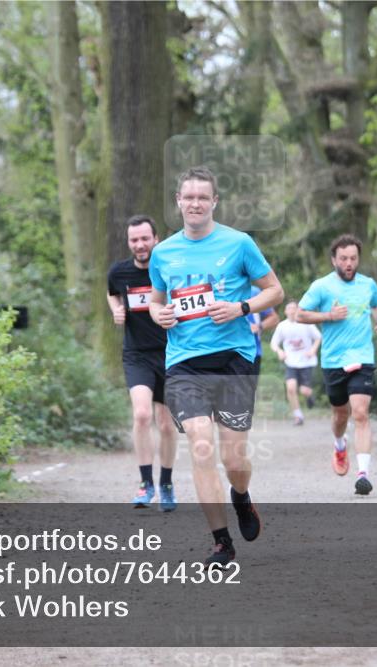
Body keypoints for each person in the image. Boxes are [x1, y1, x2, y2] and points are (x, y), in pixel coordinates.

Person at [148, 166, 283, 566]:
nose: (195, 204)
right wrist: (158, 315)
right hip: (184, 364)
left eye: (202, 198)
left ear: (214, 202)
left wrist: (240, 307)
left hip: (234, 360)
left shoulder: (239, 244)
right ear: (178, 201)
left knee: (234, 460)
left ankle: (240, 496)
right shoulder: (163, 252)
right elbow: (156, 301)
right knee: (201, 444)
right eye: (188, 197)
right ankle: (221, 542)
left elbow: (274, 289)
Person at [296, 234, 377, 495]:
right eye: (344, 258)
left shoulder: (368, 284)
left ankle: (363, 474)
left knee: (360, 413)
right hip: (334, 360)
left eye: (353, 258)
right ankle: (339, 444)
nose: (349, 263)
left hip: (362, 358)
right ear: (334, 259)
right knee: (340, 415)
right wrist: (328, 316)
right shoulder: (322, 287)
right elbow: (301, 314)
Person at [107, 215, 178, 511]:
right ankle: (145, 483)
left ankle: (166, 483)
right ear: (129, 243)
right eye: (134, 240)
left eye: (145, 239)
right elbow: (111, 293)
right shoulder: (119, 272)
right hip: (137, 354)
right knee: (141, 415)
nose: (140, 245)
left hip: (171, 353)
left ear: (156, 239)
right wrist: (116, 310)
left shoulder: (170, 270)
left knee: (166, 422)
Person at [270, 300, 322, 426]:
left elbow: (318, 337)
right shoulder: (282, 326)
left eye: (294, 308)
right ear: (285, 311)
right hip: (291, 362)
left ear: (298, 310)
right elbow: (274, 343)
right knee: (291, 388)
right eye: (290, 308)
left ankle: (310, 396)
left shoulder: (306, 324)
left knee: (304, 390)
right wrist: (279, 351)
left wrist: (313, 350)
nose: (292, 311)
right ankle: (298, 415)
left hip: (306, 362)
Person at [246, 284, 279, 374]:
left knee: (247, 388)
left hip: (252, 351)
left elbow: (274, 318)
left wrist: (258, 327)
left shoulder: (254, 291)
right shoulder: (218, 289)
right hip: (224, 350)